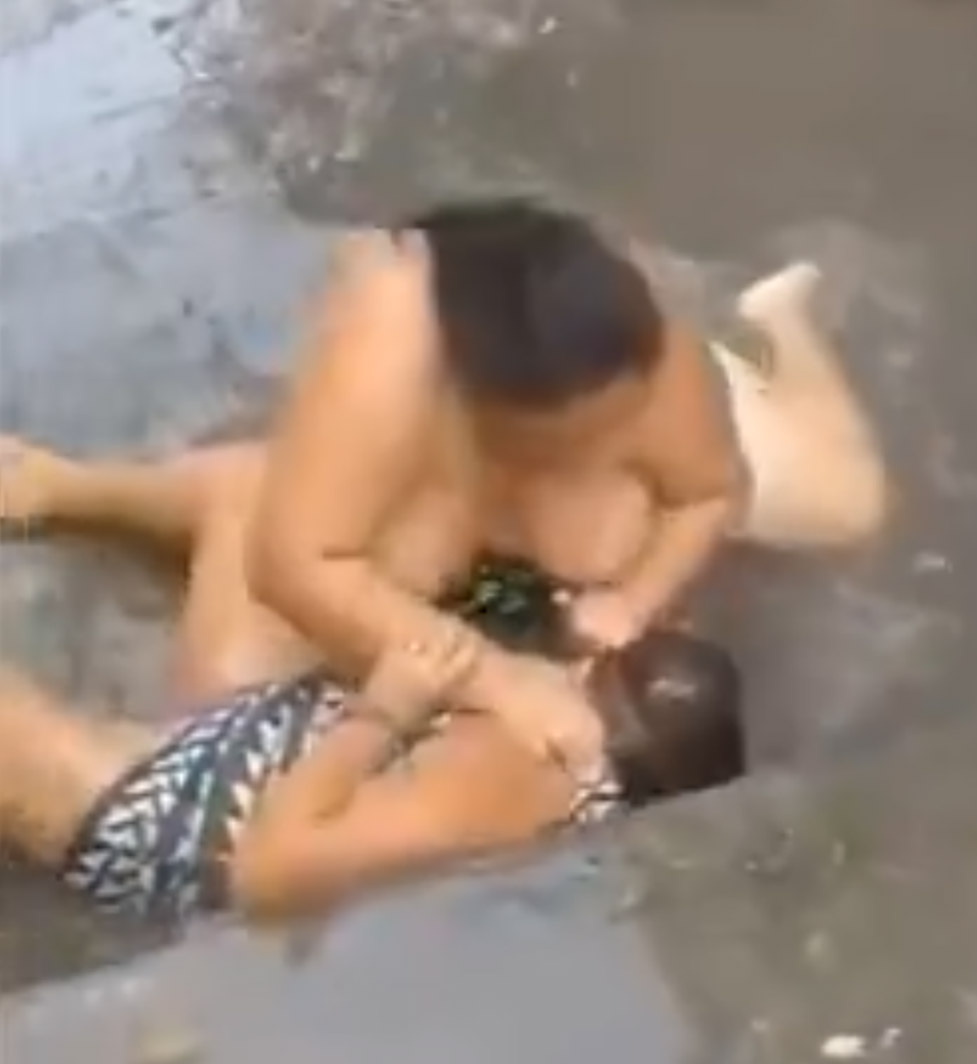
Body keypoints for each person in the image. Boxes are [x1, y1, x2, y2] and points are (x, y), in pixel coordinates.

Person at [1, 201, 887, 779]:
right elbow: (298, 564)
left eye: (616, 429)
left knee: (851, 509)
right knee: (222, 700)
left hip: (570, 474)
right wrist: (499, 681)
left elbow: (705, 495)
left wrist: (636, 596)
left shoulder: (654, 364)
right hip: (396, 489)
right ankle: (82, 489)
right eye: (565, 442)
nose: (598, 449)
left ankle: (783, 320)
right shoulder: (385, 365)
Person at [0, 625, 745, 926]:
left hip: (177, 831)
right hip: (253, 750)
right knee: (249, 495)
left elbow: (266, 872)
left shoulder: (515, 771)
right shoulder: (568, 774)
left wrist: (386, 711)